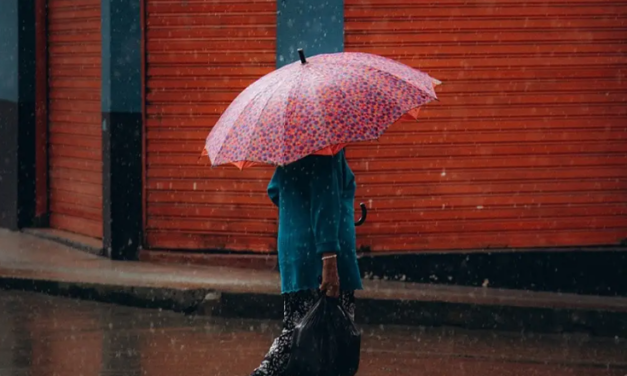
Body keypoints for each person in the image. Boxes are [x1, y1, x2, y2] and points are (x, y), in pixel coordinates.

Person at [250, 149, 363, 376]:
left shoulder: (293, 148)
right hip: (320, 257)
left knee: (301, 334)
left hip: (296, 252)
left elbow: (275, 191)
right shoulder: (324, 148)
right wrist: (329, 259)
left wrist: (299, 204)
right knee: (327, 342)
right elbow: (326, 199)